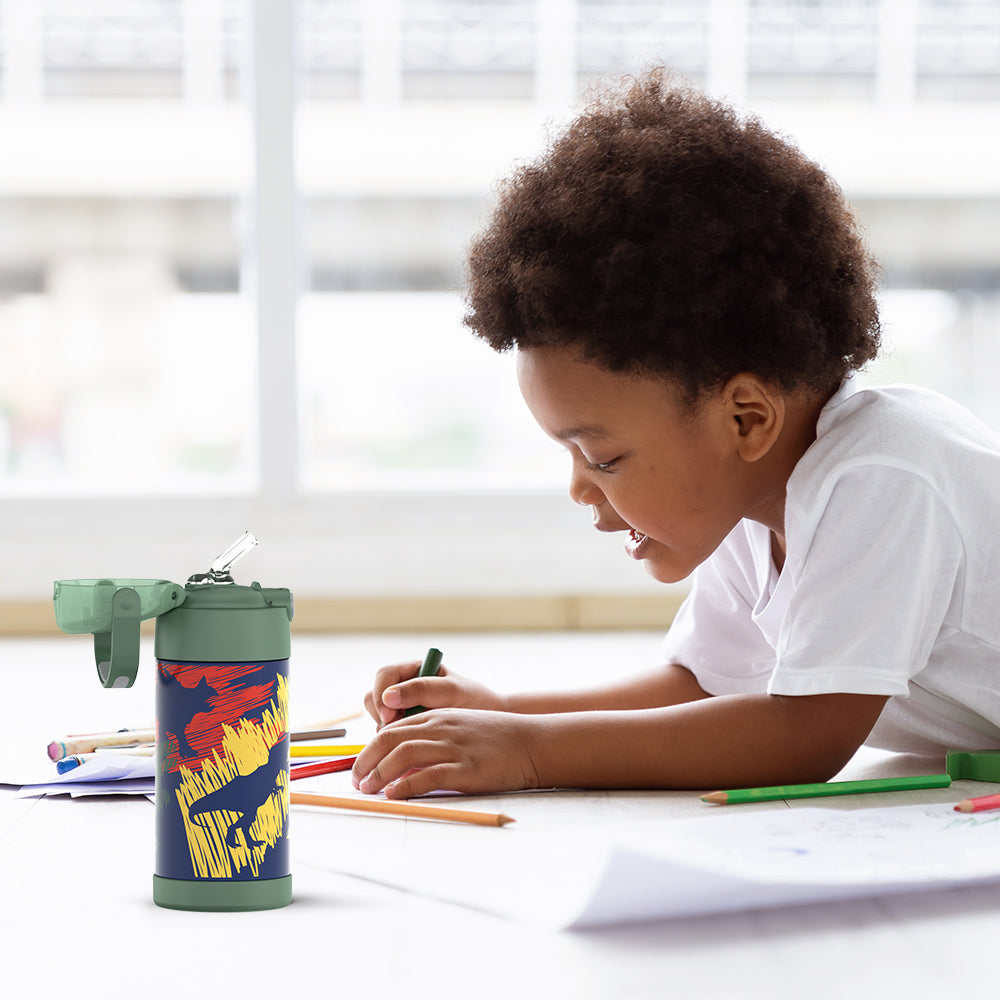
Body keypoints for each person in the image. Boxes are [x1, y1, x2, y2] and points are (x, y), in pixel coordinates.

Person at [352, 67, 1000, 800]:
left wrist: (528, 751)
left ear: (745, 418)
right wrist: (501, 715)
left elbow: (804, 735)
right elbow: (700, 687)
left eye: (602, 457)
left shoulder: (884, 475)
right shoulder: (753, 501)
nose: (578, 487)